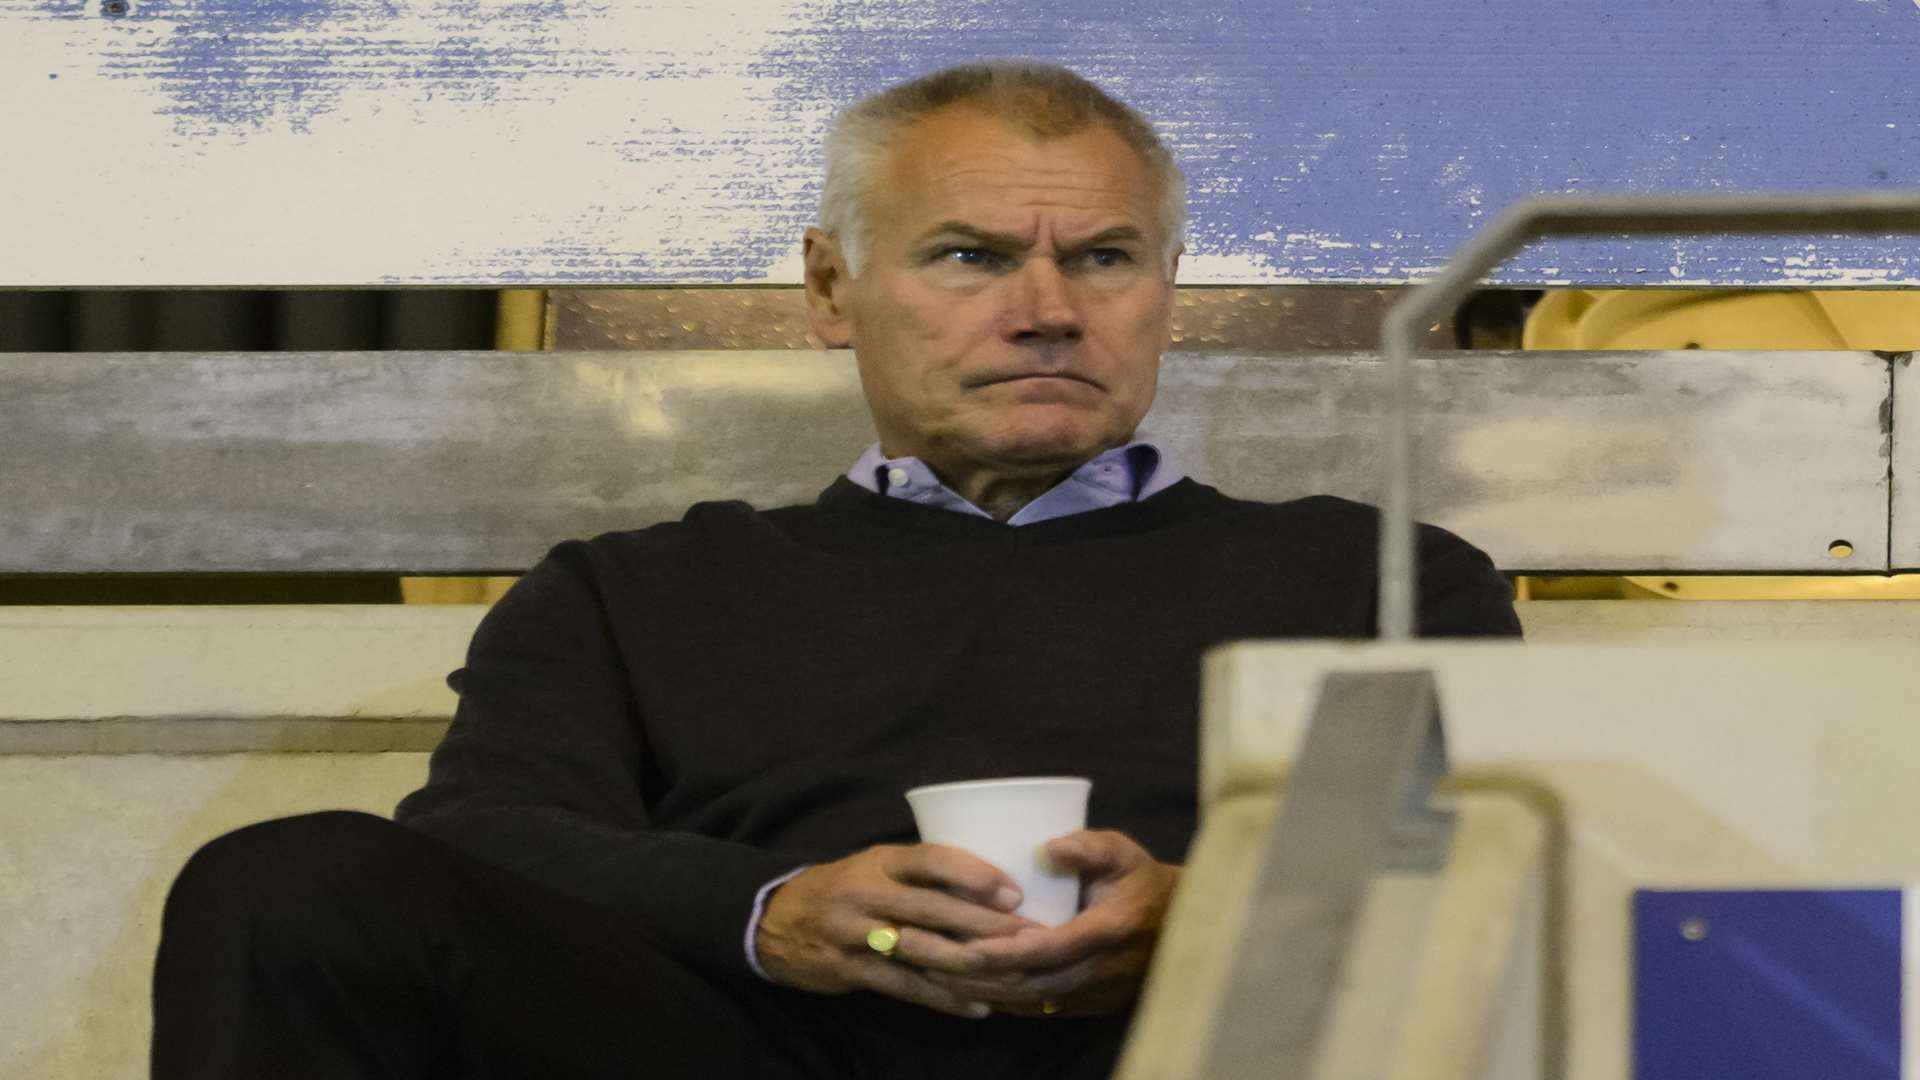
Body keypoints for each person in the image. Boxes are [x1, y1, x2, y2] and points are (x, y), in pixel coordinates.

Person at [150, 60, 1521, 1079]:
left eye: (1103, 258)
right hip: (757, 1048)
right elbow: (483, 844)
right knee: (290, 885)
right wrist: (769, 915)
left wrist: (1208, 913)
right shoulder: (631, 590)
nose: (1047, 310)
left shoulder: (1381, 577)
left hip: (1190, 1049)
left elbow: (1485, 868)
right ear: (828, 289)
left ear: (1167, 283)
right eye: (970, 256)